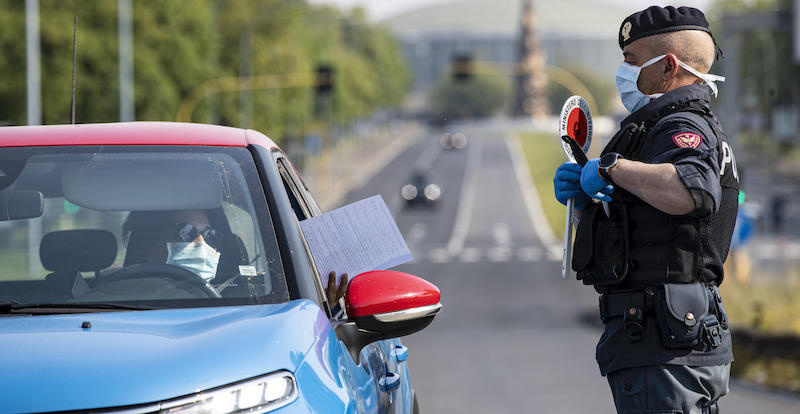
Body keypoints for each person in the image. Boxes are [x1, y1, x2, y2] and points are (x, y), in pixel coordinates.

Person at [553, 6, 739, 413]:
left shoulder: (680, 126)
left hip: (666, 343)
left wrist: (610, 167)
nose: (625, 74)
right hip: (663, 337)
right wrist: (589, 196)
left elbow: (692, 192)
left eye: (631, 62)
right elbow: (641, 221)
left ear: (668, 66)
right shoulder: (657, 127)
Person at [122, 209, 348, 305]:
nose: (201, 243)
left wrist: (326, 305)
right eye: (187, 232)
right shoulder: (114, 299)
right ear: (150, 247)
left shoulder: (250, 299)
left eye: (210, 236)